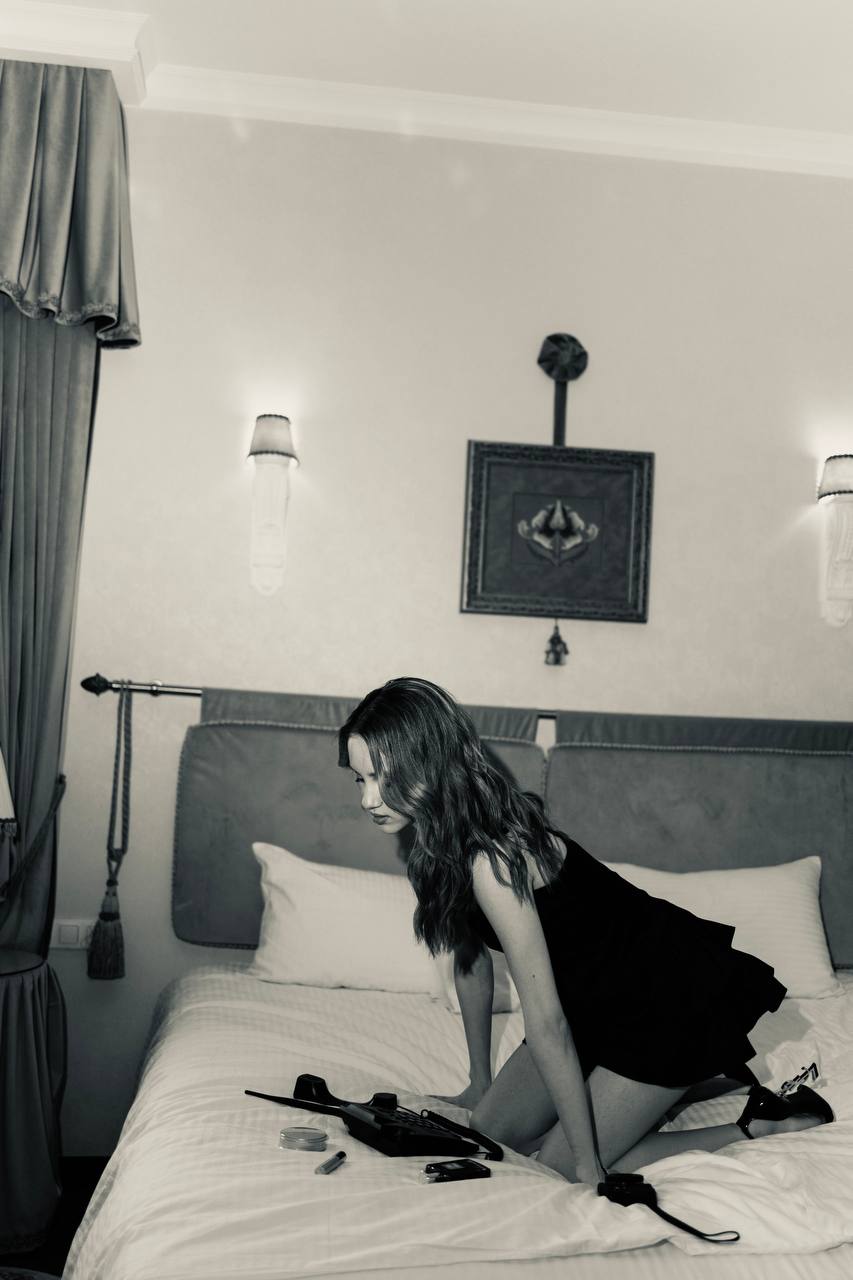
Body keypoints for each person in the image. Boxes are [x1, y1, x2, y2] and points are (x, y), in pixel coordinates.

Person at [339, 677, 834, 1187]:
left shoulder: (493, 859)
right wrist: (477, 1084)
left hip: (664, 998)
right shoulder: (433, 842)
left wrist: (588, 1163)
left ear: (430, 764)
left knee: (561, 1164)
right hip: (594, 1006)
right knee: (490, 1131)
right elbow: (471, 963)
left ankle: (760, 1122)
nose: (369, 799)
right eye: (359, 779)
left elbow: (547, 1023)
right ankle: (684, 1087)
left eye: (382, 777)